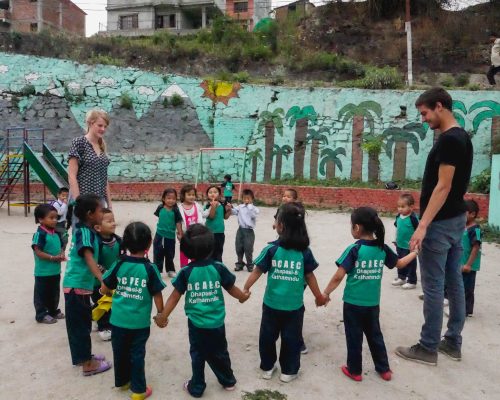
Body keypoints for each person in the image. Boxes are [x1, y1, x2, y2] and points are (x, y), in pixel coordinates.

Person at [396, 87, 473, 365]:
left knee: (433, 285)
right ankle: (452, 342)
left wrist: (423, 225)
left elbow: (443, 186)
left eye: (425, 113)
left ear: (439, 106)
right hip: (455, 219)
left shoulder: (450, 140)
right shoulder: (462, 136)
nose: (425, 119)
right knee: (453, 282)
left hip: (440, 223)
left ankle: (428, 347)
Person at [322, 207, 418, 382]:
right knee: (375, 336)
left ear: (357, 228)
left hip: (352, 303)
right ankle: (384, 369)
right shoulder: (382, 248)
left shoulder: (354, 249)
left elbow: (338, 276)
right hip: (372, 303)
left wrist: (326, 293)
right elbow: (400, 264)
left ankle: (355, 370)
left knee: (354, 337)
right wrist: (415, 253)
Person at [154, 224, 249, 398]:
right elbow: (231, 288)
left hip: (196, 323)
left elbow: (175, 296)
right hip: (216, 322)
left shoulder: (186, 272)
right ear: (211, 247)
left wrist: (163, 316)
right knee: (220, 351)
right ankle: (228, 381)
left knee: (197, 354)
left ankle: (197, 387)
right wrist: (242, 297)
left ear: (186, 251)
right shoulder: (218, 267)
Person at [243, 203, 327, 383]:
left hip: (274, 305)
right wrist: (318, 296)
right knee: (290, 339)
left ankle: (268, 367)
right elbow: (310, 276)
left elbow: (257, 271)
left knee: (268, 337)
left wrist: (246, 288)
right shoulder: (301, 252)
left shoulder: (273, 249)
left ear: (280, 225)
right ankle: (288, 371)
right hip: (292, 307)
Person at [101, 222, 166, 400]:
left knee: (120, 351)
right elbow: (157, 294)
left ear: (126, 243)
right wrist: (161, 314)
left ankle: (122, 382)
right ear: (150, 243)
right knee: (137, 354)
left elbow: (104, 286)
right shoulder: (150, 268)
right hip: (139, 323)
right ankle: (139, 390)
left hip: (117, 320)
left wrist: (104, 292)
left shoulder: (119, 263)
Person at [63, 194, 112, 376]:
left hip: (80, 286)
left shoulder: (88, 231)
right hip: (77, 286)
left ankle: (85, 357)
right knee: (80, 327)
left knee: (81, 323)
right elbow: (88, 257)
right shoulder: (84, 232)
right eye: (101, 210)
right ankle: (87, 364)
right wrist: (102, 279)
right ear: (91, 214)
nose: (104, 213)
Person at [68, 109, 112, 210]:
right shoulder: (79, 143)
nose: (103, 129)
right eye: (100, 125)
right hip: (82, 201)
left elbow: (104, 179)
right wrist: (78, 202)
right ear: (90, 124)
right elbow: (71, 176)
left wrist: (109, 205)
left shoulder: (102, 146)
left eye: (105, 126)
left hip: (99, 202)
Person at [32, 204, 66, 324]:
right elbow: (38, 251)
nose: (55, 220)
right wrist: (52, 258)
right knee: (41, 294)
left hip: (55, 271)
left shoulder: (56, 232)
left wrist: (61, 254)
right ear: (41, 219)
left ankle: (53, 311)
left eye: (56, 218)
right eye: (51, 218)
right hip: (42, 272)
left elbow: (61, 246)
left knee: (54, 292)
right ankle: (41, 314)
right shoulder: (39, 234)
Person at [92, 208, 122, 341]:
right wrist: (106, 274)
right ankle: (104, 328)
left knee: (111, 302)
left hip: (113, 279)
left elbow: (121, 257)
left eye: (113, 220)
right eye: (109, 221)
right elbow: (94, 262)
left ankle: (92, 316)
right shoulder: (96, 243)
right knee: (103, 303)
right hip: (98, 281)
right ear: (98, 227)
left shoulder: (118, 240)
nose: (113, 223)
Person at [391, 193, 419, 290]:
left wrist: (416, 244)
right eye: (399, 206)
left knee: (411, 263)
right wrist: (395, 239)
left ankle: (412, 281)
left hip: (410, 246)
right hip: (400, 244)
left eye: (403, 207)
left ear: (411, 207)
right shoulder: (398, 216)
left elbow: (418, 231)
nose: (400, 209)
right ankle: (401, 277)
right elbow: (398, 228)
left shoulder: (413, 218)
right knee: (400, 261)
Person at [153, 188, 183, 278]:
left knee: (170, 253)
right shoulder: (160, 207)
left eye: (173, 198)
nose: (171, 200)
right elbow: (159, 216)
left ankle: (170, 270)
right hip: (159, 235)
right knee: (158, 252)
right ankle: (157, 270)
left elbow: (178, 222)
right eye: (168, 198)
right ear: (163, 199)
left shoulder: (176, 210)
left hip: (170, 236)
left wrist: (180, 233)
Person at [460, 200, 482, 318]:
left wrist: (469, 264)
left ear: (472, 214)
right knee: (458, 286)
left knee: (467, 288)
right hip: (460, 264)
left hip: (469, 266)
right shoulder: (463, 226)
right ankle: (458, 308)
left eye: (464, 213)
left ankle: (466, 310)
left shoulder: (475, 229)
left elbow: (476, 247)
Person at [232, 189, 259, 272]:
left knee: (248, 248)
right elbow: (233, 212)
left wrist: (250, 207)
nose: (246, 200)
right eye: (245, 198)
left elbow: (253, 216)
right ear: (242, 199)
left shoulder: (255, 209)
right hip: (240, 230)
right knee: (239, 247)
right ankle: (239, 264)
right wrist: (230, 208)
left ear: (252, 199)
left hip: (249, 231)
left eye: (248, 198)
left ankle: (250, 264)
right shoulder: (240, 207)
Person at [203, 185, 232, 262]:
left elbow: (225, 217)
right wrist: (213, 207)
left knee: (219, 251)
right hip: (209, 232)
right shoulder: (207, 206)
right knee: (209, 251)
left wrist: (229, 210)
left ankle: (218, 267)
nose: (212, 194)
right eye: (210, 192)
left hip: (220, 232)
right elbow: (211, 217)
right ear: (207, 195)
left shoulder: (222, 205)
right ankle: (209, 267)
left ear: (219, 195)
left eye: (215, 192)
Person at [178, 185, 204, 268]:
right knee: (184, 252)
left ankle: (195, 267)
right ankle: (184, 268)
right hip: (185, 235)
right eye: (189, 195)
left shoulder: (197, 206)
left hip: (197, 234)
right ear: (183, 195)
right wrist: (180, 233)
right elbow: (178, 222)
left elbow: (202, 216)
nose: (191, 197)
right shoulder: (179, 208)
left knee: (196, 251)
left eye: (193, 195)